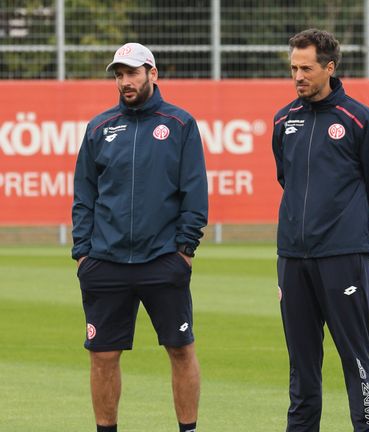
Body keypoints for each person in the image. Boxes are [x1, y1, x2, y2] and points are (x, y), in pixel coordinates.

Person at [72, 42, 207, 432]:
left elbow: (194, 192)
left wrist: (184, 250)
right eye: (119, 74)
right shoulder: (99, 128)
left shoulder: (180, 124)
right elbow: (84, 195)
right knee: (102, 356)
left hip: (163, 259)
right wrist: (84, 253)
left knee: (181, 350)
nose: (125, 81)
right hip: (106, 262)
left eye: (132, 73)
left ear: (153, 73)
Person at [271, 29, 369, 432]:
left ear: (330, 67)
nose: (298, 76)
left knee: (355, 356)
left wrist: (350, 222)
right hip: (293, 255)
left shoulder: (360, 119)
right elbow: (285, 178)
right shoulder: (284, 119)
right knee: (301, 361)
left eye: (306, 68)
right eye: (293, 68)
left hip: (343, 255)